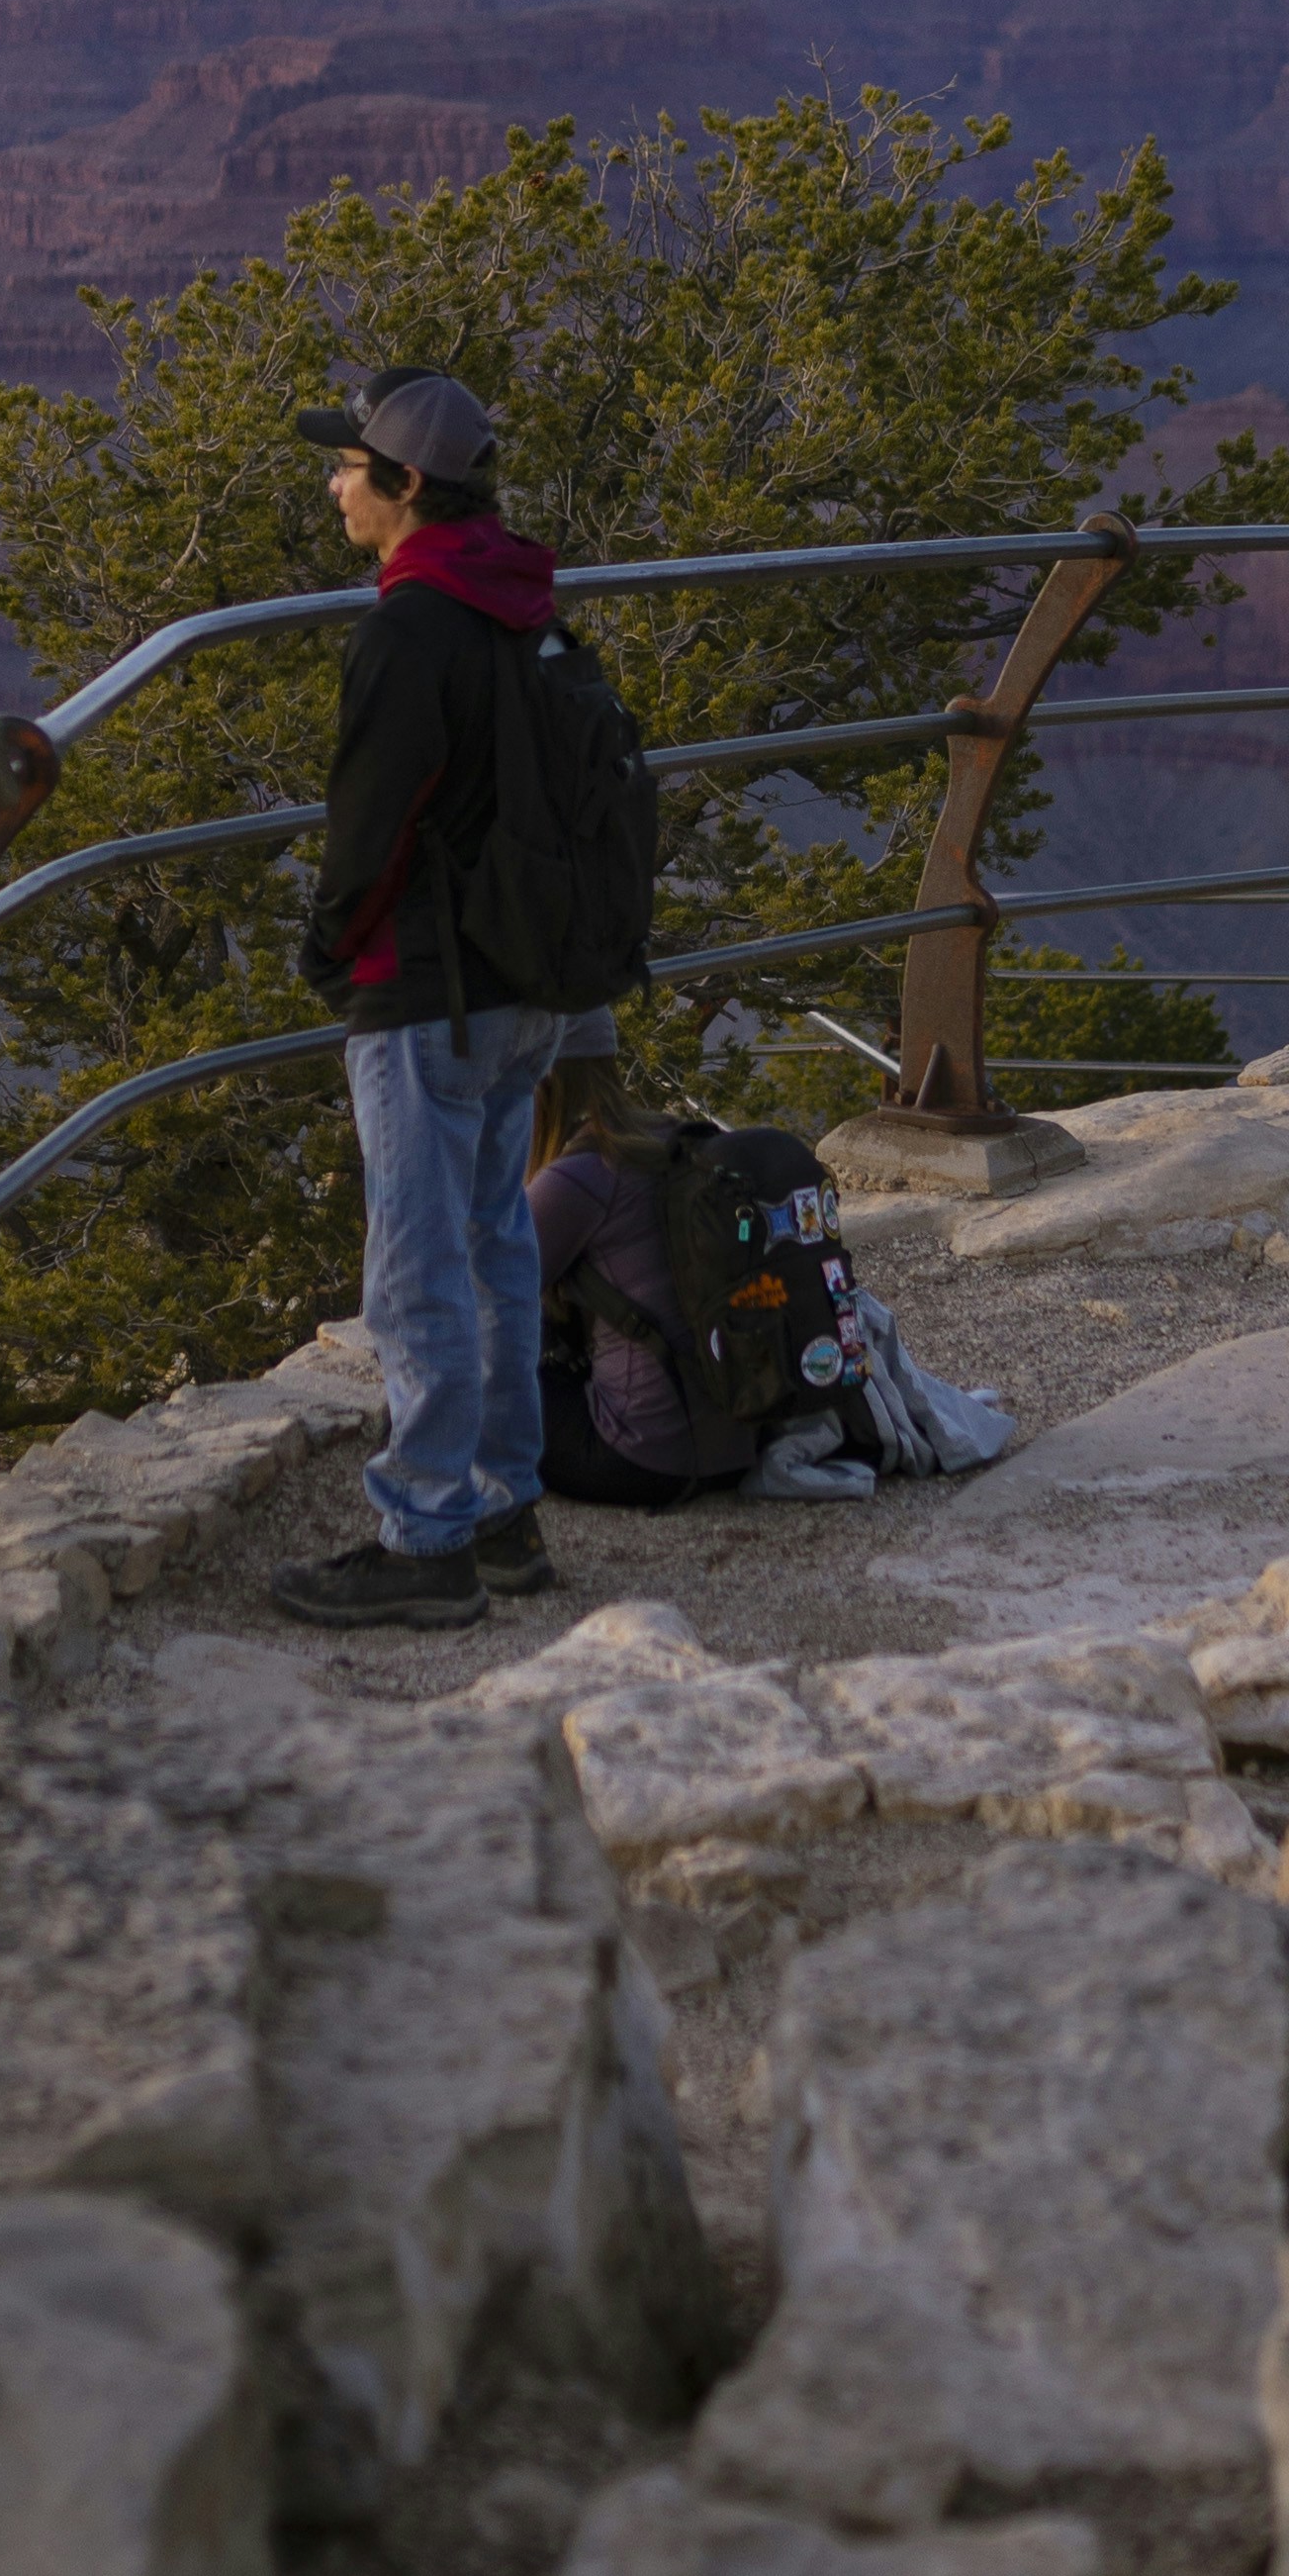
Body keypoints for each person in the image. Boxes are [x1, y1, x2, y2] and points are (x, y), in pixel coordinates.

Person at [270, 368, 567, 1633]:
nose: (333, 484)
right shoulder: (521, 607)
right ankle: (504, 1513)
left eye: (348, 467)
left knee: (414, 1268)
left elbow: (371, 824)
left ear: (404, 487)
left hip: (427, 990)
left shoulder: (407, 630)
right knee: (497, 1241)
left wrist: (334, 948)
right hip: (527, 981)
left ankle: (425, 1538)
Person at [527, 1014, 756, 1510]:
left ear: (539, 1079)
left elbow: (482, 1296)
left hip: (645, 1461)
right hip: (744, 1442)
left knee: (476, 1385)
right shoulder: (676, 1138)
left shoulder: (578, 1177)